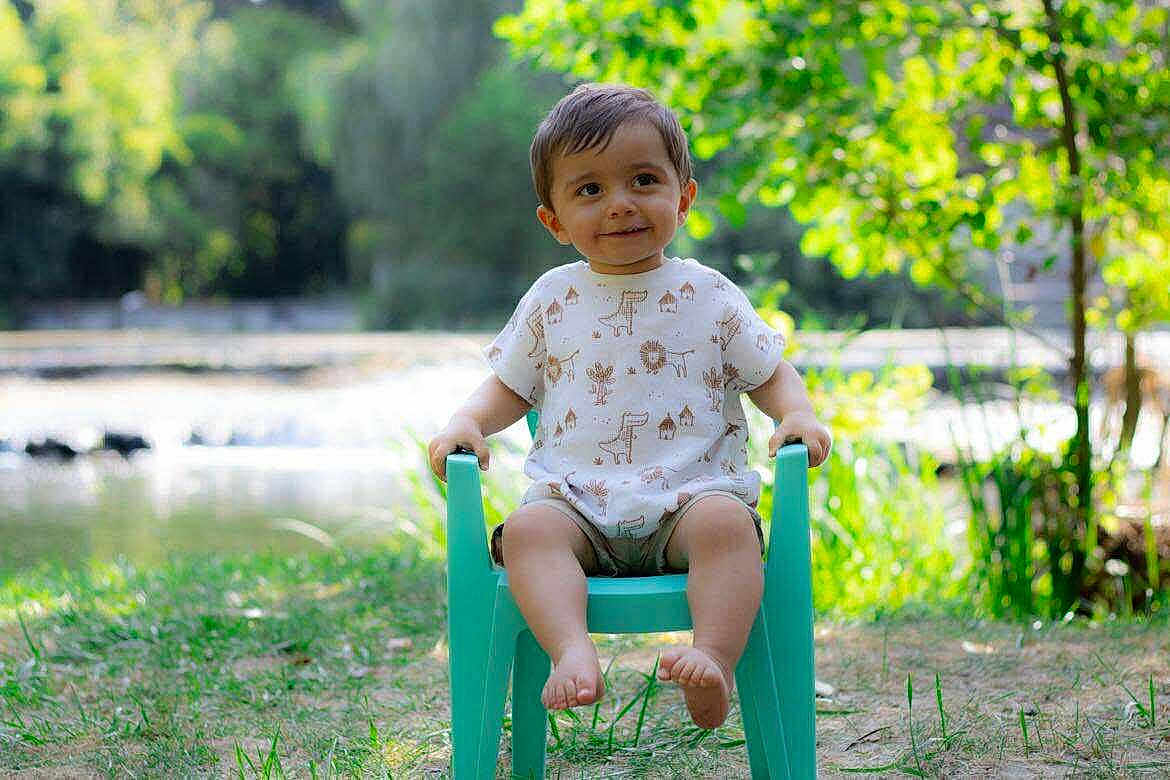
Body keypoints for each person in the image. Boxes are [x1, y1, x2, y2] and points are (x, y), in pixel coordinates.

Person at [428, 83, 831, 729]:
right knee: (529, 532)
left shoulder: (709, 293)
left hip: (691, 501)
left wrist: (797, 415)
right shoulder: (551, 297)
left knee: (730, 528)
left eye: (643, 180)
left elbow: (769, 370)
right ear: (554, 220)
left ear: (684, 196)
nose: (619, 205)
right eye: (589, 190)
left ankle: (714, 661)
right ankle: (570, 651)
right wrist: (467, 423)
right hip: (577, 507)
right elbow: (509, 384)